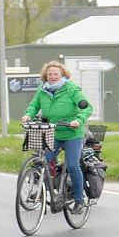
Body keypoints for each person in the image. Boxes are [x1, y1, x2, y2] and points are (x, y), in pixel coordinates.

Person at [21, 61, 93, 214]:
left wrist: (78, 120)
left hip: (72, 133)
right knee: (42, 162)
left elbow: (87, 107)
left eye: (56, 74)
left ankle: (79, 201)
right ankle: (42, 191)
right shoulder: (43, 89)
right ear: (45, 76)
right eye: (50, 74)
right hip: (53, 132)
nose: (53, 77)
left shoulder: (71, 88)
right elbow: (34, 105)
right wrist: (28, 114)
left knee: (73, 166)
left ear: (62, 75)